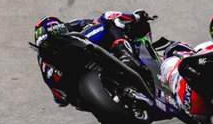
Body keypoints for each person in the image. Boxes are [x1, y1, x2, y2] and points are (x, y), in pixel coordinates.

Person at [33, 10, 161, 107]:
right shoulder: (45, 62)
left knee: (109, 20)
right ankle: (124, 58)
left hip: (95, 51)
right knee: (109, 20)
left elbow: (60, 100)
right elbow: (59, 97)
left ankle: (125, 55)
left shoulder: (73, 26)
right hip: (81, 86)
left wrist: (135, 17)